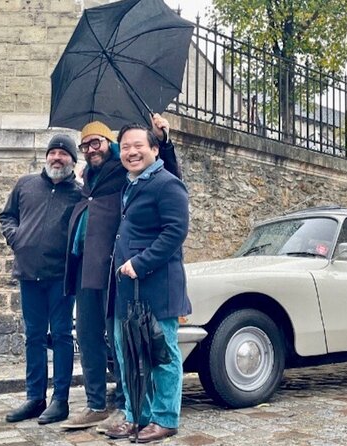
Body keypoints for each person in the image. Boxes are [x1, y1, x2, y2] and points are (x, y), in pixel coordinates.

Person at [62, 115, 181, 431]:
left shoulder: (140, 174)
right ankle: (129, 413)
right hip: (109, 273)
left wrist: (163, 141)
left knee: (156, 350)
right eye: (85, 144)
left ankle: (161, 417)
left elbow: (173, 222)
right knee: (120, 345)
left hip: (138, 275)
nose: (91, 148)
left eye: (97, 141)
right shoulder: (104, 179)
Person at [105, 123, 190, 443]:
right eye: (125, 146)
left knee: (161, 355)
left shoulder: (168, 185)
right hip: (128, 291)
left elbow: (175, 233)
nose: (131, 152)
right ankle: (136, 417)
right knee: (128, 355)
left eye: (138, 145)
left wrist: (139, 264)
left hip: (158, 288)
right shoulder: (130, 184)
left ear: (155, 149)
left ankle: (165, 419)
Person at [0, 135, 81, 425]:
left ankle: (60, 400)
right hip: (28, 274)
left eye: (63, 153)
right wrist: (16, 238)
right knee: (33, 336)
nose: (57, 157)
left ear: (73, 160)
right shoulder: (26, 185)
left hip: (60, 278)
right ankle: (35, 398)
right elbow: (6, 216)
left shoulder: (79, 194)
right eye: (53, 152)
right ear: (46, 157)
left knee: (60, 336)